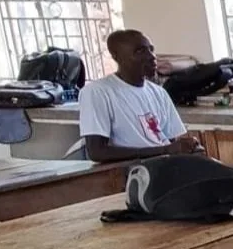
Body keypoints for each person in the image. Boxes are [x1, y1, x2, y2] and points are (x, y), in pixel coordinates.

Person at [79, 29, 203, 163]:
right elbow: (97, 152)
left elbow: (169, 141)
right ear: (117, 57)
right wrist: (165, 151)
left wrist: (186, 148)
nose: (152, 56)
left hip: (165, 166)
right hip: (134, 173)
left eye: (151, 49)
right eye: (140, 51)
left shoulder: (158, 92)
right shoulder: (98, 92)